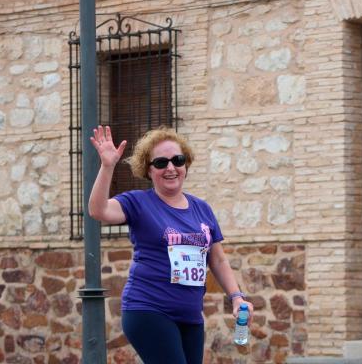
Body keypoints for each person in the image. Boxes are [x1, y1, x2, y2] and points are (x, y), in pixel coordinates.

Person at [88, 125, 254, 364]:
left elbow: (217, 259)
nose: (170, 168)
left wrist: (237, 297)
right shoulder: (138, 202)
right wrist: (107, 166)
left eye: (177, 160)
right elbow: (98, 210)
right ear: (148, 169)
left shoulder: (202, 209)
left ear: (186, 164)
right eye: (161, 163)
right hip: (148, 310)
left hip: (190, 316)